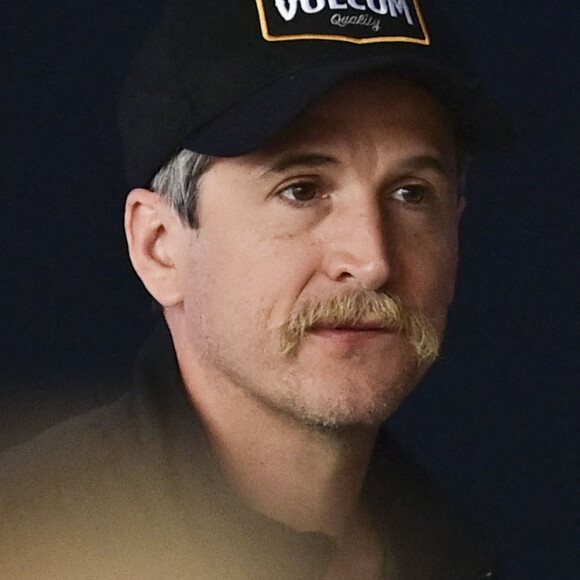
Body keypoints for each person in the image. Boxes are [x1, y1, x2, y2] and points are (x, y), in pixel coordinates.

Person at [1, 1, 511, 578]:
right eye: (301, 190)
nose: (371, 261)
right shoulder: (24, 542)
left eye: (412, 194)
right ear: (159, 246)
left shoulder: (453, 555)